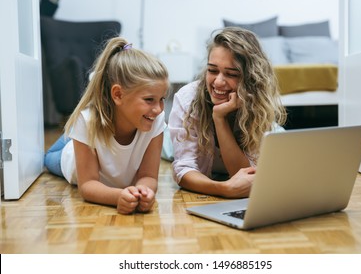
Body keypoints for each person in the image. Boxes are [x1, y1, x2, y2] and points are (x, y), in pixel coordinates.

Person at [44, 37, 169, 214]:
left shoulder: (155, 119)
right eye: (149, 100)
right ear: (118, 94)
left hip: (94, 132)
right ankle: (73, 135)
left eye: (162, 99)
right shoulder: (87, 121)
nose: (158, 109)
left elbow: (148, 176)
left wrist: (144, 191)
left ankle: (75, 133)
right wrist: (118, 197)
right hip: (70, 158)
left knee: (85, 124)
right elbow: (87, 185)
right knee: (46, 159)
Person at [168, 27, 287, 198]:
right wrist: (224, 189)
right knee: (168, 148)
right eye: (212, 70)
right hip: (176, 137)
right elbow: (184, 170)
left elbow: (245, 177)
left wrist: (219, 118)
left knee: (279, 149)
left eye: (231, 74)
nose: (218, 82)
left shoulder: (258, 105)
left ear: (250, 78)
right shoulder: (188, 99)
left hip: (265, 135)